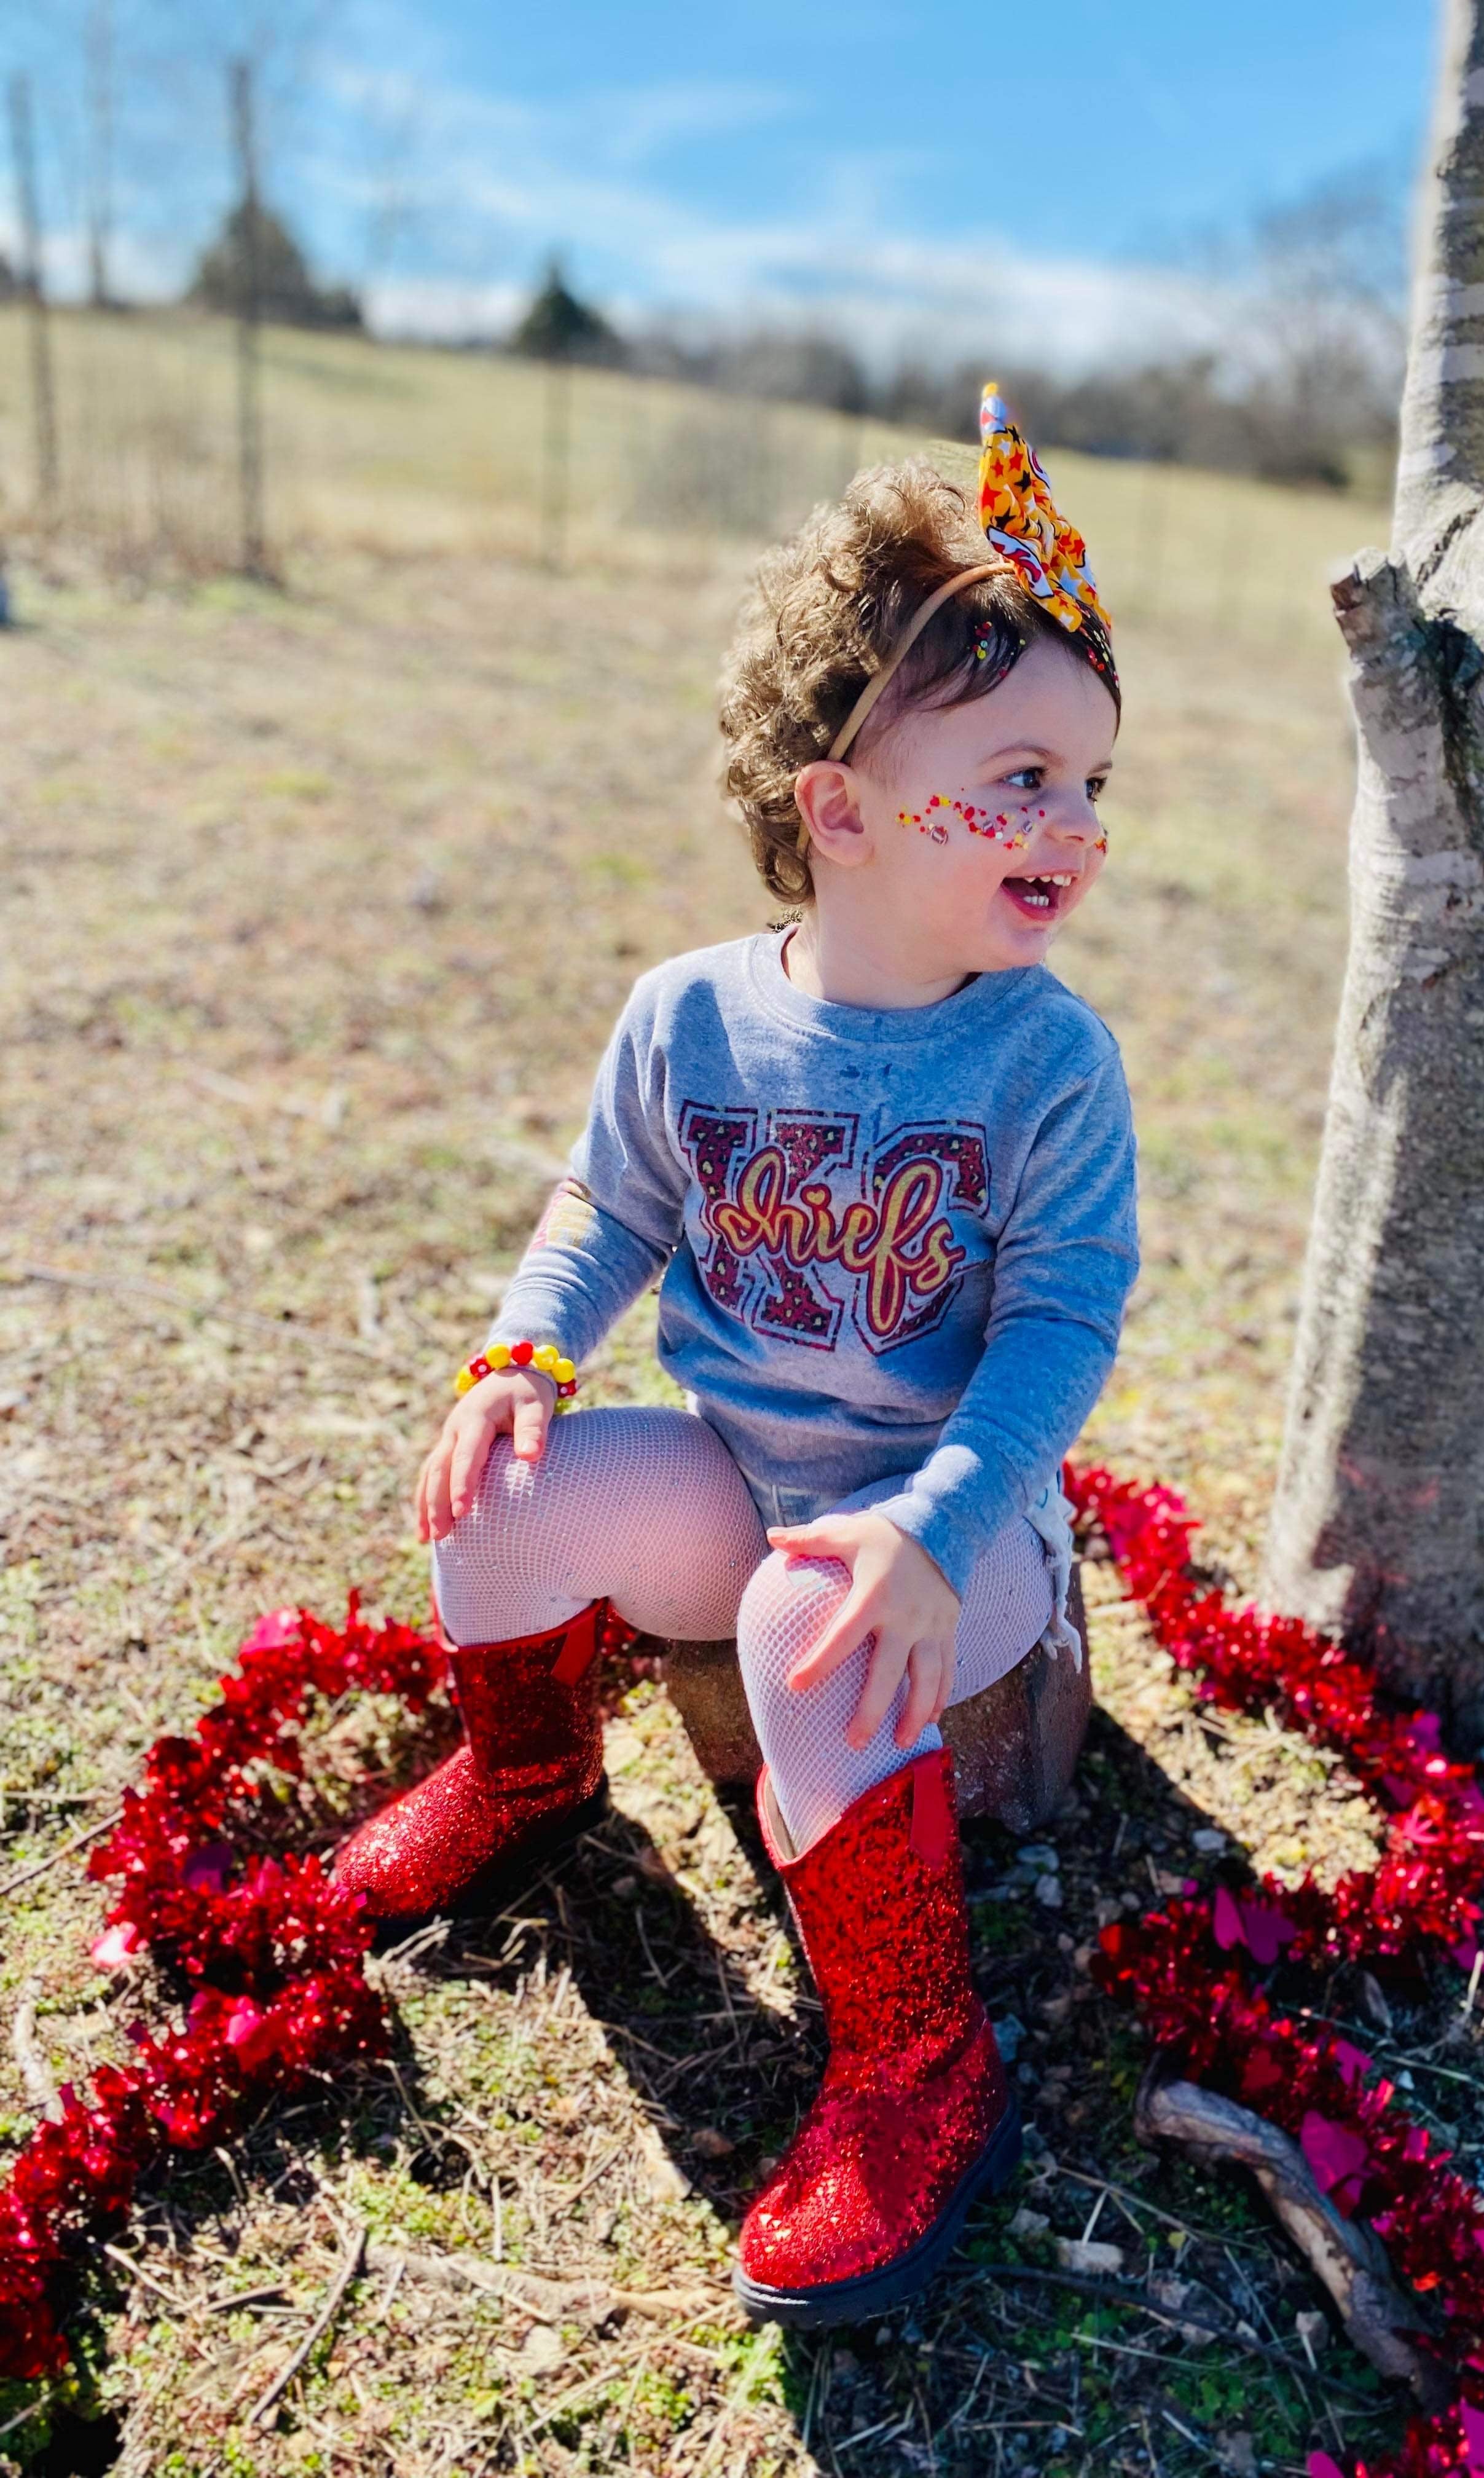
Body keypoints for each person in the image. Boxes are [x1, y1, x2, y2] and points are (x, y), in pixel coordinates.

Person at [333, 388, 1140, 2328]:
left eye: (1096, 785)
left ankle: (920, 2064)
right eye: (1021, 774)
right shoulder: (688, 1019)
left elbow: (1060, 1320)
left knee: (809, 1623)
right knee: (506, 1485)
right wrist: (529, 1347)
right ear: (840, 810)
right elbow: (610, 1210)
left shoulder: (1048, 1062)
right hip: (751, 1474)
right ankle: (527, 1773)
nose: (1074, 828)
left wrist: (942, 1520)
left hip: (963, 1542)